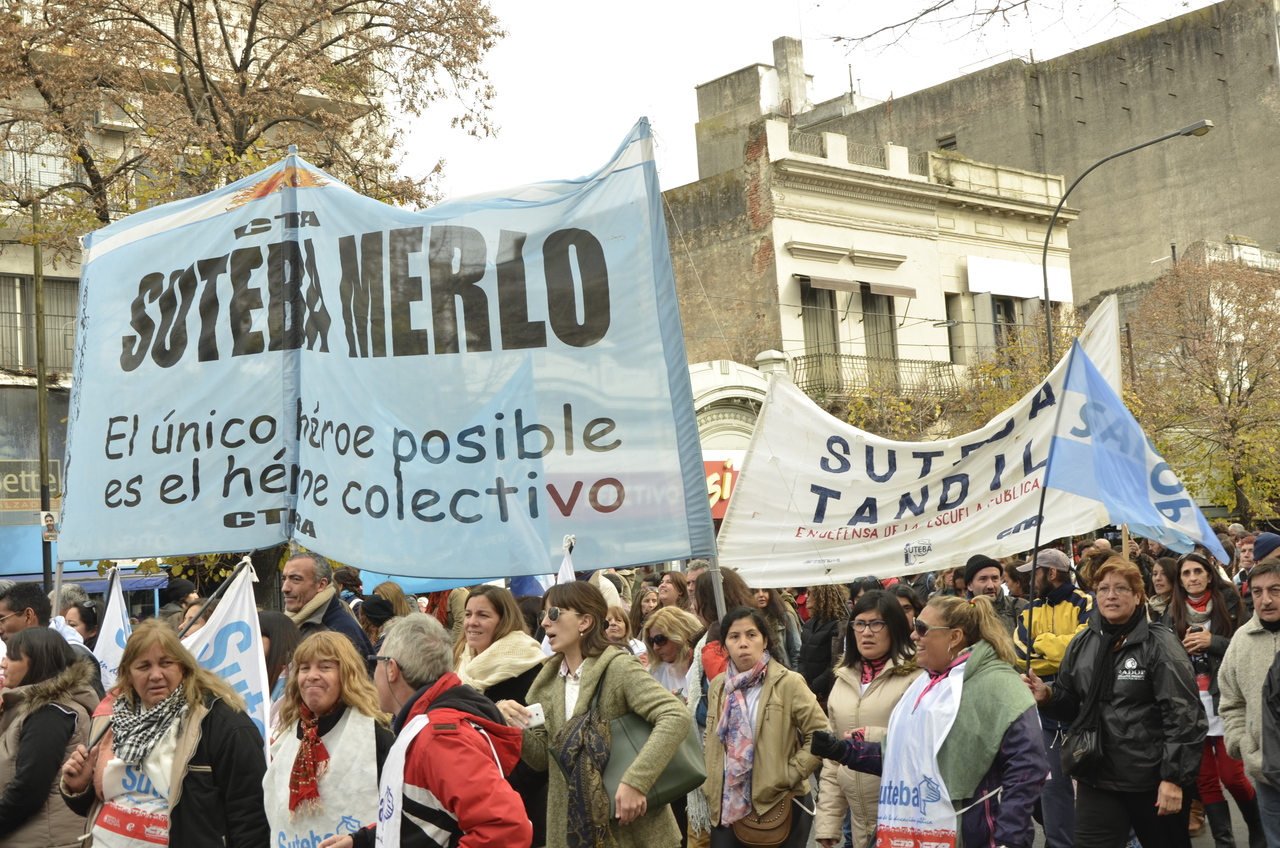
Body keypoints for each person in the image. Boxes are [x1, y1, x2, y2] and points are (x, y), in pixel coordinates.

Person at [814, 595, 1045, 848]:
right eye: (915, 627)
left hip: (975, 835)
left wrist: (1008, 839)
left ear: (954, 637)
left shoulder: (1001, 684)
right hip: (919, 832)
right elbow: (906, 757)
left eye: (922, 628)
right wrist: (845, 751)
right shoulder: (928, 683)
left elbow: (1027, 768)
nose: (914, 635)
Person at [1026, 557, 1206, 848]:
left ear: (1138, 596)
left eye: (1121, 588)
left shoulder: (1160, 643)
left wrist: (1174, 779)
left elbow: (1184, 715)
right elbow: (1072, 704)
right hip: (1096, 777)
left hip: (1151, 781)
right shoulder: (1082, 642)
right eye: (1103, 589)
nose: (1110, 595)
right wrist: (1048, 696)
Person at [498, 580, 690, 848]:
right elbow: (542, 758)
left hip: (631, 827)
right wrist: (511, 722)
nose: (544, 622)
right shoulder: (546, 683)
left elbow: (675, 716)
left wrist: (636, 781)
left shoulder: (618, 667)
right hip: (573, 830)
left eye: (554, 613)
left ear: (585, 622)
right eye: (543, 614)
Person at [315, 613, 531, 848]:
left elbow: (506, 829)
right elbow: (424, 816)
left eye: (376, 661)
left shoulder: (440, 739)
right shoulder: (427, 729)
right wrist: (362, 841)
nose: (373, 673)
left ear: (391, 669)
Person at [60, 620, 270, 847]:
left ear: (183, 667)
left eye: (166, 663)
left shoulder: (223, 724)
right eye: (143, 667)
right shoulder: (112, 718)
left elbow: (250, 818)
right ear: (128, 675)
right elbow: (97, 805)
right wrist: (80, 788)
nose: (156, 675)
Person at [704, 605, 827, 848]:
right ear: (725, 645)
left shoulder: (788, 683)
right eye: (734, 636)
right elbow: (712, 741)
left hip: (778, 801)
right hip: (728, 803)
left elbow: (821, 734)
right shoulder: (719, 686)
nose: (743, 643)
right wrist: (709, 783)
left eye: (751, 635)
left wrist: (789, 773)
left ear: (765, 640)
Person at [1163, 551, 1262, 847]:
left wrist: (1212, 642)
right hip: (1191, 704)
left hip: (1226, 701)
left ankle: (1257, 830)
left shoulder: (1231, 602)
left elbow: (1249, 646)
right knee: (1204, 779)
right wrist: (1180, 651)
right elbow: (1163, 657)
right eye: (1186, 573)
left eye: (1197, 571)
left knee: (1232, 776)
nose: (1192, 578)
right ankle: (1224, 841)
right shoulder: (1171, 612)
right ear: (1180, 580)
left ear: (1208, 575)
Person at [264, 632, 394, 848]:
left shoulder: (375, 732)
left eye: (325, 667)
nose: (312, 676)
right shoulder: (284, 738)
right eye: (304, 668)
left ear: (346, 674)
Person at [814, 590, 922, 848]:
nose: (866, 632)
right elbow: (832, 760)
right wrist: (828, 822)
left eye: (876, 624)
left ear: (894, 627)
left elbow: (923, 746)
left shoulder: (917, 677)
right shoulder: (843, 679)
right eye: (859, 624)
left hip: (905, 819)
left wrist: (868, 737)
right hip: (858, 824)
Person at [452, 585, 549, 847]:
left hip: (517, 803)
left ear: (504, 620)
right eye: (468, 614)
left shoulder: (527, 665)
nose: (472, 622)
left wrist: (502, 792)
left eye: (483, 615)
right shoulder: (462, 662)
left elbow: (539, 753)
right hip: (473, 795)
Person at [1013, 547, 1092, 848]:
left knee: (1095, 784)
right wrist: (1063, 652)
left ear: (1051, 572)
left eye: (1034, 573)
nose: (1029, 580)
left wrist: (1043, 642)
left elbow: (1086, 649)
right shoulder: (1028, 610)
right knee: (1052, 788)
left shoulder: (1086, 601)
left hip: (1085, 708)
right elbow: (1021, 656)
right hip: (1044, 712)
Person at [0, 628, 99, 847]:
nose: (3, 664)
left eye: (12, 657)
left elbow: (28, 790)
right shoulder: (36, 710)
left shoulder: (50, 714)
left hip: (45, 840)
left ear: (38, 663)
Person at [1219, 557, 1280, 848]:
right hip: (1267, 772)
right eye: (1258, 592)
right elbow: (1231, 701)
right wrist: (1244, 745)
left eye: (1275, 590)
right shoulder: (1241, 641)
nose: (1265, 600)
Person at [644, 605, 708, 844]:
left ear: (679, 633)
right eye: (651, 641)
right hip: (674, 765)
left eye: (660, 639)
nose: (656, 647)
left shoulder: (702, 664)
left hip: (705, 758)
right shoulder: (653, 672)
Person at [0, 582, 104, 700]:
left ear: (28, 615)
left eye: (2, 620)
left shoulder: (73, 654)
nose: (0, 630)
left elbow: (94, 706)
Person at [282, 552, 375, 662]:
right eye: (284, 579)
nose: (285, 588)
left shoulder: (338, 631)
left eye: (296, 579)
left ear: (321, 585)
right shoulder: (297, 621)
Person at [797, 583, 848, 704]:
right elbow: (802, 658)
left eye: (810, 593)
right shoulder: (809, 624)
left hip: (828, 693)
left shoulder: (839, 625)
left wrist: (815, 688)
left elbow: (835, 662)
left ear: (822, 596)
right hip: (808, 691)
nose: (806, 597)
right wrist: (804, 685)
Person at [964, 554, 1024, 632]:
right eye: (983, 579)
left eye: (995, 578)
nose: (991, 586)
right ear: (970, 585)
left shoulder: (1020, 607)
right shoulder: (961, 615)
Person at [751, 587, 801, 669]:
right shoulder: (749, 620)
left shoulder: (784, 617)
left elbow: (796, 651)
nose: (761, 595)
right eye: (756, 591)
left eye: (765, 590)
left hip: (782, 670)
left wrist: (795, 674)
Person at [1149, 556, 1178, 620]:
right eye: (1155, 574)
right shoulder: (1149, 608)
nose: (1158, 578)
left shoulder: (1181, 608)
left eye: (1164, 574)